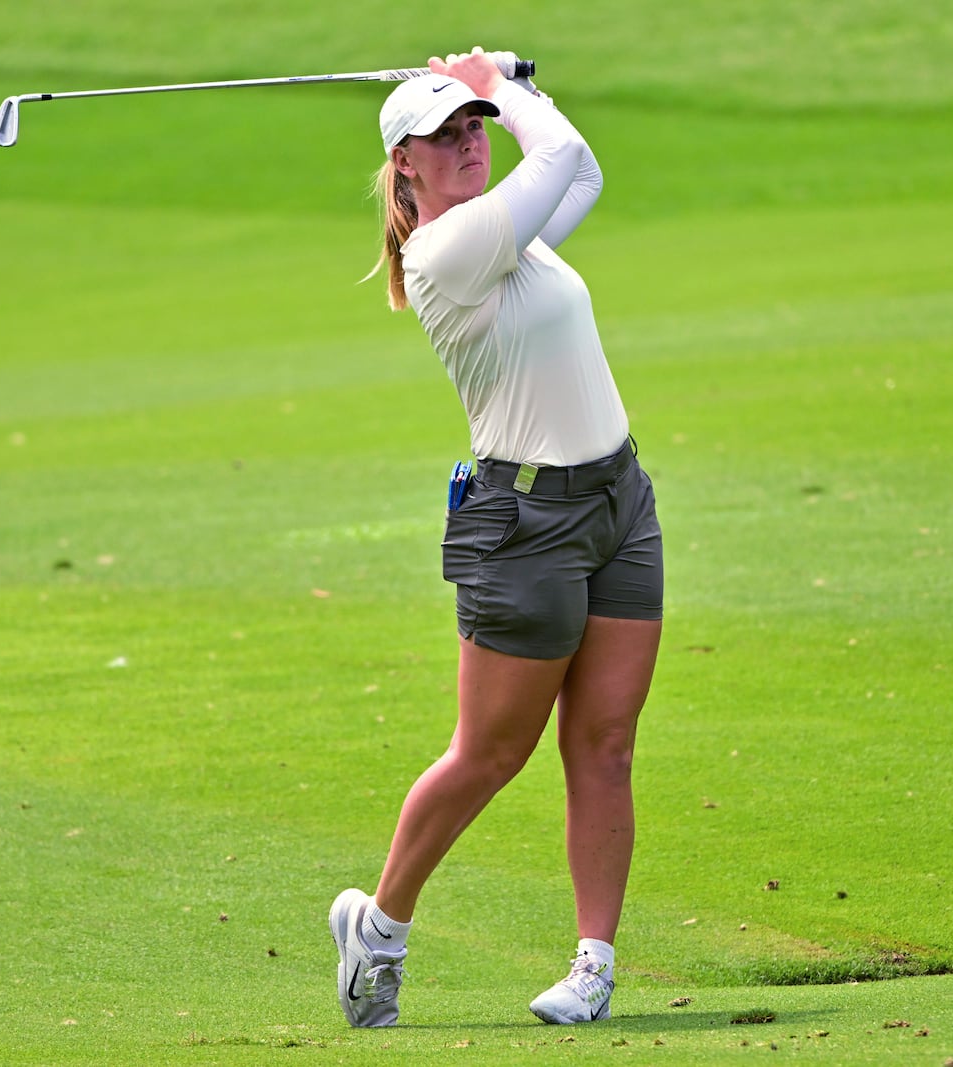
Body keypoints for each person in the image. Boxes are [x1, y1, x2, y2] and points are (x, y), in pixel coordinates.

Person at [329, 46, 664, 1028]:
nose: (467, 143)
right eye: (445, 134)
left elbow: (582, 169)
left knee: (603, 742)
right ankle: (379, 928)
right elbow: (553, 160)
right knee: (489, 751)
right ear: (406, 167)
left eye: (471, 127)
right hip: (524, 527)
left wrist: (506, 93)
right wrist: (503, 87)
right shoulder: (447, 252)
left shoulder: (506, 233)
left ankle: (592, 964)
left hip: (617, 501)